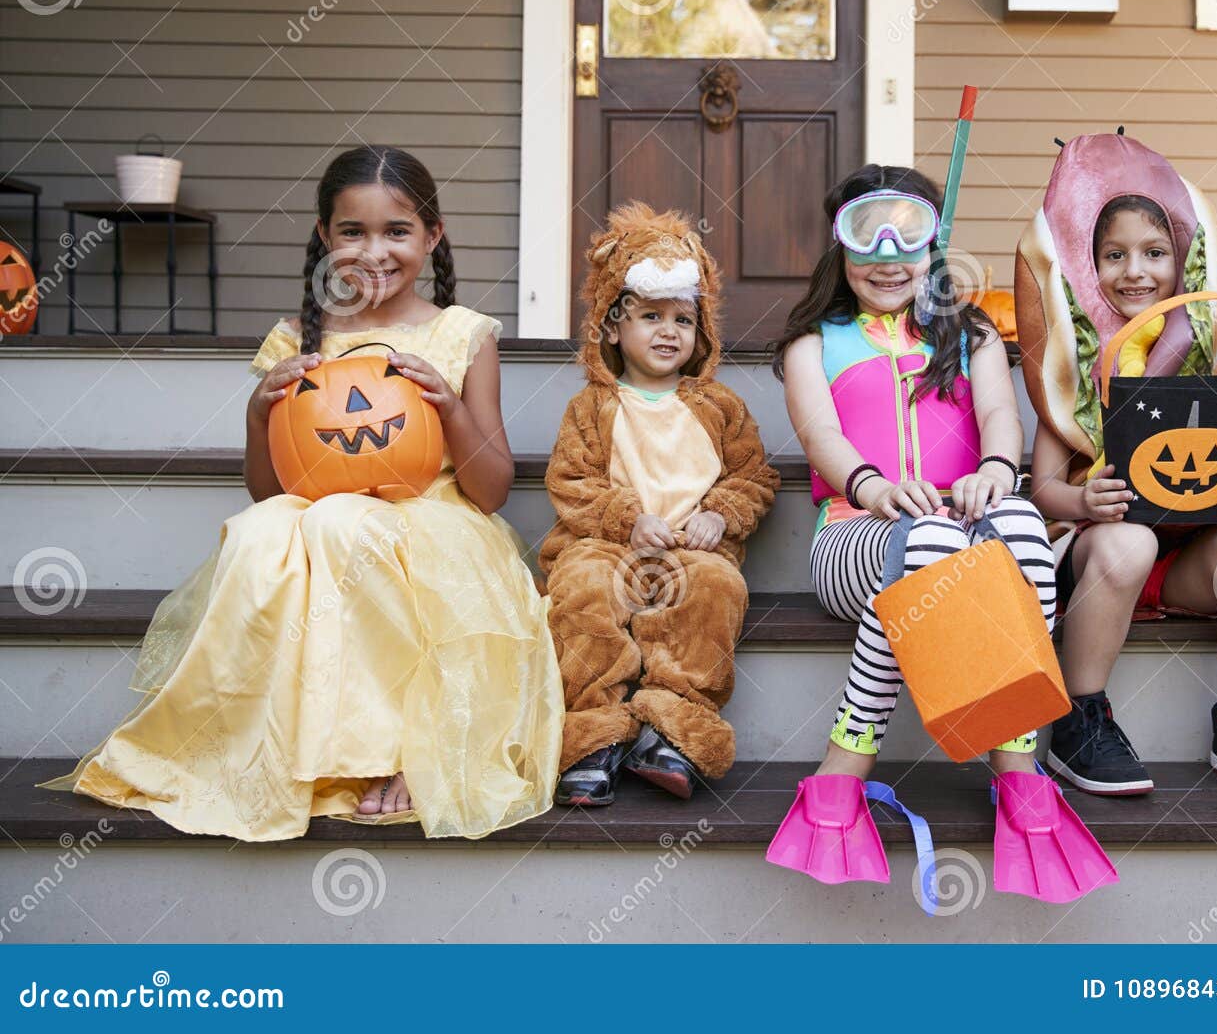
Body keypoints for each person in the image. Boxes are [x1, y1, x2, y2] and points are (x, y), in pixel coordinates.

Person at [45, 145, 565, 839]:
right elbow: (269, 489)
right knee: (260, 534)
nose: (373, 251)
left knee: (345, 526)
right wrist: (259, 414)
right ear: (325, 237)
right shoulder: (295, 339)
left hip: (432, 520)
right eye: (353, 231)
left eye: (397, 231)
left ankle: (404, 747)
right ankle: (274, 741)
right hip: (317, 510)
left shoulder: (461, 335)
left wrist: (450, 407)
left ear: (433, 236)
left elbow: (493, 488)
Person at [766, 165, 1115, 905]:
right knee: (928, 542)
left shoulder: (972, 334)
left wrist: (994, 469)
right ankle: (856, 766)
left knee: (1019, 518)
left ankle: (1015, 764)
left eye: (909, 237)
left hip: (966, 534)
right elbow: (820, 434)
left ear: (934, 247)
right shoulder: (812, 343)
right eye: (868, 237)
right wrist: (875, 487)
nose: (889, 258)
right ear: (840, 249)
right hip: (856, 536)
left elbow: (1000, 418)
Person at [1017, 132, 1217, 799]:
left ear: (1183, 264)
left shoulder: (1212, 369)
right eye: (1113, 255)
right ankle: (1081, 716)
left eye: (1155, 254)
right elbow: (1043, 491)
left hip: (1181, 568)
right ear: (1089, 267)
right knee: (1130, 538)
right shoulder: (1072, 371)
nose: (1135, 271)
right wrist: (1086, 503)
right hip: (1102, 558)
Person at [539, 202, 778, 806]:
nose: (669, 331)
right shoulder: (592, 407)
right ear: (613, 327)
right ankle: (592, 733)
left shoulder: (718, 406)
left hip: (691, 549)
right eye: (650, 316)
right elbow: (572, 482)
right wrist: (626, 520)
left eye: (683, 319)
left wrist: (719, 513)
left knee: (715, 591)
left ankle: (671, 726)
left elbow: (754, 476)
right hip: (605, 545)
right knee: (584, 594)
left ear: (702, 333)